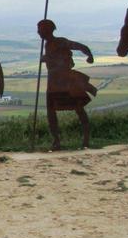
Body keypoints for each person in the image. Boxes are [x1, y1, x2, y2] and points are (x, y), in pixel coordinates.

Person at [37, 19, 97, 150]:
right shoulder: (47, 45)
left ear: (47, 30)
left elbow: (79, 47)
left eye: (40, 29)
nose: (38, 32)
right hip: (53, 82)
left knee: (79, 109)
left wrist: (89, 55)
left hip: (66, 82)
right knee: (51, 112)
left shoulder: (60, 42)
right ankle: (56, 141)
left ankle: (86, 139)